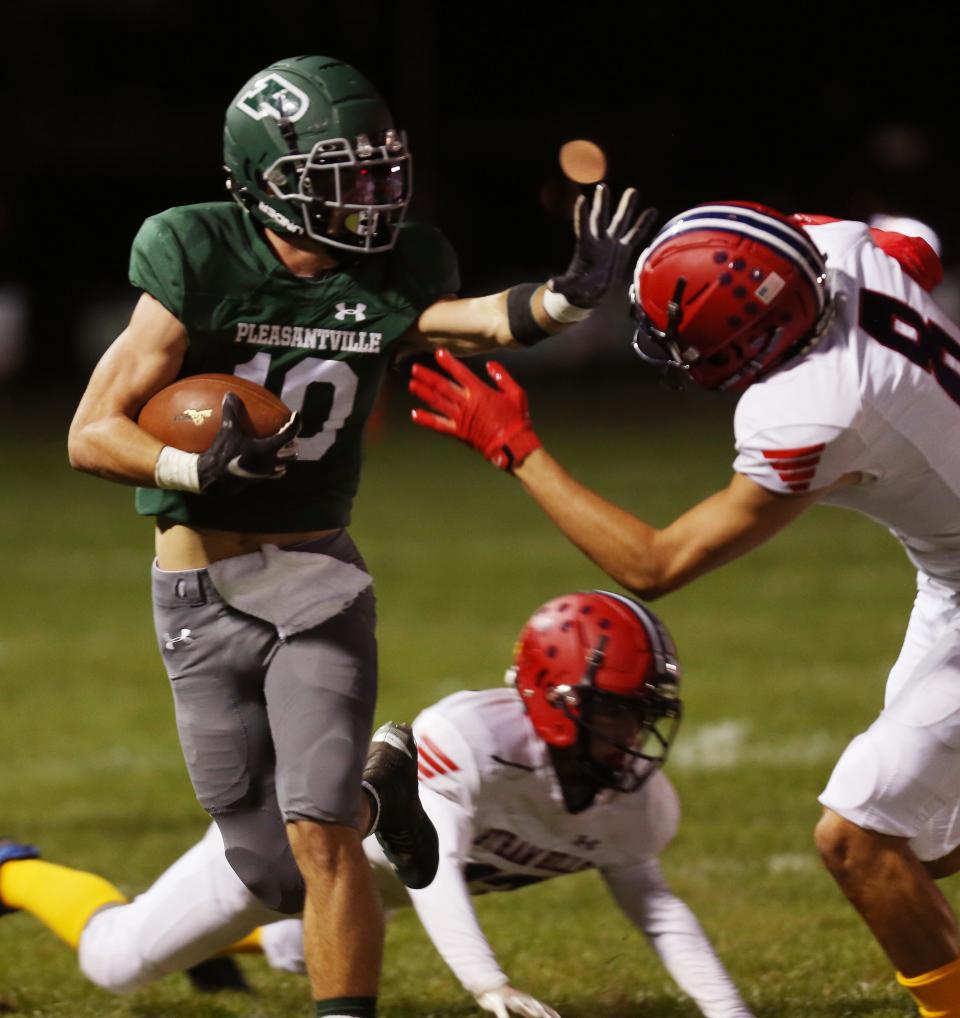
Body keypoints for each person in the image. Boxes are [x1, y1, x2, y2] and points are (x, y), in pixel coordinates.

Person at [63, 54, 651, 1018]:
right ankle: (388, 791)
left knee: (320, 830)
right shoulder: (194, 252)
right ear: (264, 179)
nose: (370, 198)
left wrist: (570, 295)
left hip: (316, 578)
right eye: (340, 178)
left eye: (378, 173)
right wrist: (188, 467)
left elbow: (472, 323)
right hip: (197, 592)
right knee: (265, 859)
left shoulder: (397, 270)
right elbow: (93, 432)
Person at [408, 202, 960, 1017]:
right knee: (921, 842)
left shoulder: (816, 408)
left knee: (860, 838)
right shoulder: (841, 251)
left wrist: (515, 448)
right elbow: (912, 241)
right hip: (947, 571)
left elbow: (654, 564)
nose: (681, 358)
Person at [0, 591, 754, 1018]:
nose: (635, 731)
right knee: (116, 961)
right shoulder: (470, 739)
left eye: (642, 710)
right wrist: (488, 984)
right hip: (298, 854)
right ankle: (13, 872)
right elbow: (435, 875)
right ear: (556, 702)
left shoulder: (637, 804)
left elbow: (655, 908)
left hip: (361, 888)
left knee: (301, 952)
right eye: (618, 710)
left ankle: (218, 944)